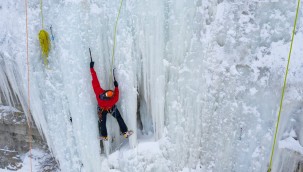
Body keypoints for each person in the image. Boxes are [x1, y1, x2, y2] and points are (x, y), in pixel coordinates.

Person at [90, 61, 131, 141]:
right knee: (119, 118)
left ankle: (104, 136)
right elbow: (116, 95)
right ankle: (125, 132)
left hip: (102, 109)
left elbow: (95, 80)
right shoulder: (113, 100)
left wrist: (91, 68)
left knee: (102, 122)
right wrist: (116, 87)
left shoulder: (99, 93)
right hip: (111, 108)